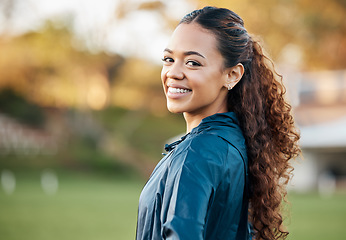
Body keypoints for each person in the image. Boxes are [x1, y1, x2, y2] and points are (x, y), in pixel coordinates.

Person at [136, 6, 300, 240]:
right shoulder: (233, 141)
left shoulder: (198, 152)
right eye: (168, 59)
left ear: (232, 75)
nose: (173, 72)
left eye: (193, 63)